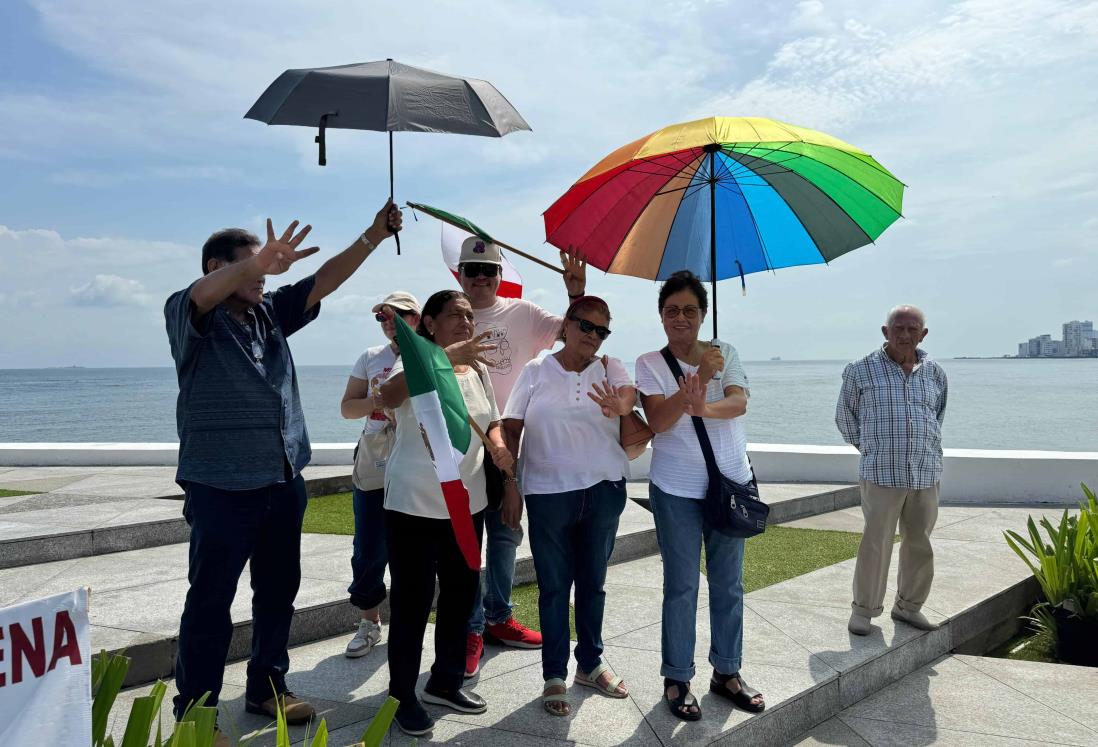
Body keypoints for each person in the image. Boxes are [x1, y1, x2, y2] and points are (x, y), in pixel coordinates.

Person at [163, 200, 402, 744]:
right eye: (251, 266)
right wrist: (255, 266)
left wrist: (372, 234)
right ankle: (195, 714)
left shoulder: (268, 313)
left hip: (281, 478)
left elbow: (324, 280)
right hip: (220, 485)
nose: (266, 275)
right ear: (217, 268)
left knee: (278, 592)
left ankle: (266, 686)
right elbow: (203, 294)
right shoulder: (190, 313)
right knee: (209, 601)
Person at [377, 290, 517, 736]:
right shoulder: (415, 361)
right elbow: (386, 394)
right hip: (414, 504)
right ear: (430, 324)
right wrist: (440, 357)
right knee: (413, 601)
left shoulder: (476, 370)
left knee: (460, 597)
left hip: (467, 503)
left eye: (470, 316)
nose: (466, 321)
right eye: (455, 315)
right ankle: (401, 696)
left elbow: (492, 419)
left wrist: (497, 446)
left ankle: (445, 680)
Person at [635, 270, 765, 722]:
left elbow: (739, 402)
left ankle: (727, 673)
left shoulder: (723, 352)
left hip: (729, 482)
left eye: (690, 310)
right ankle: (677, 677)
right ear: (661, 317)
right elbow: (657, 422)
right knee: (682, 584)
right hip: (675, 490)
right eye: (671, 311)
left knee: (729, 583)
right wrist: (690, 387)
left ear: (703, 314)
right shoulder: (649, 363)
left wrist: (704, 399)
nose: (681, 318)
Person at [456, 235, 587, 676]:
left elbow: (574, 332)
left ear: (500, 276)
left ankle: (499, 617)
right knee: (468, 541)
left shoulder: (523, 313)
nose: (480, 278)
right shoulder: (449, 317)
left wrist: (575, 292)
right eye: (471, 271)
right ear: (459, 274)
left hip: (511, 444)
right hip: (461, 448)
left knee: (507, 534)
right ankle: (471, 627)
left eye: (488, 270)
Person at [501, 296, 635, 717]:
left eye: (602, 330)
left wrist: (621, 405)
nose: (593, 336)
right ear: (567, 325)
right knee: (554, 587)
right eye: (586, 326)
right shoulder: (537, 369)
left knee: (593, 583)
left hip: (604, 489)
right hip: (547, 493)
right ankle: (554, 675)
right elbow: (511, 426)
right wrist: (510, 483)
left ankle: (590, 664)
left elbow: (629, 398)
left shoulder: (612, 368)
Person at [836, 305, 948, 636]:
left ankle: (909, 607)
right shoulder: (861, 371)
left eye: (912, 329)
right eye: (897, 328)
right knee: (876, 543)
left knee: (919, 543)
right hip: (882, 473)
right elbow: (846, 418)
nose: (904, 334)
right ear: (885, 332)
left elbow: (937, 417)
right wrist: (873, 449)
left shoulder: (936, 374)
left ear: (923, 334)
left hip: (925, 473)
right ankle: (864, 611)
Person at [339, 291, 421, 658]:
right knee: (368, 546)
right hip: (375, 457)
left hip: (417, 459)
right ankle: (369, 621)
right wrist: (378, 400)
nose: (391, 322)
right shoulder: (371, 357)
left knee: (416, 549)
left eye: (400, 314)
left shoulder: (430, 354)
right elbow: (346, 408)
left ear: (418, 318)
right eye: (384, 317)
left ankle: (409, 624)